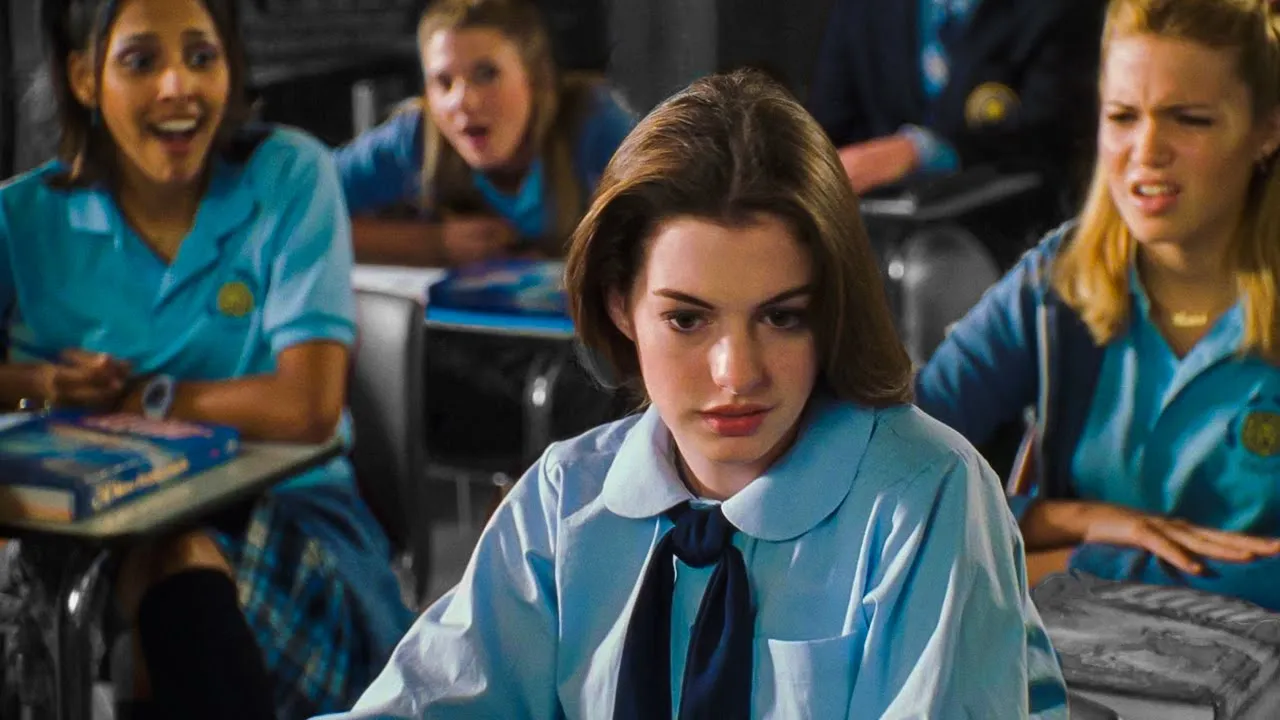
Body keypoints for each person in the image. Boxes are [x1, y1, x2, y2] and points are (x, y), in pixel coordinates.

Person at [319, 70, 1068, 719]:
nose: (736, 374)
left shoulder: (926, 499)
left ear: (832, 310)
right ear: (621, 306)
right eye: (686, 319)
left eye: (782, 316)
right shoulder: (562, 501)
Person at [2, 0, 413, 717]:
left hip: (291, 528)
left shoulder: (287, 175)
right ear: (84, 78)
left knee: (170, 563)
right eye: (140, 61)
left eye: (202, 57)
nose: (178, 87)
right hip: (70, 545)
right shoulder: (20, 218)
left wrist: (139, 400)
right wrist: (40, 384)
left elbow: (307, 406)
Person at [915, 0, 1280, 606]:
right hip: (1066, 655)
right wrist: (1067, 519)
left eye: (1189, 119)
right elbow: (890, 467)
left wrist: (1070, 563)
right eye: (1122, 116)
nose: (1147, 149)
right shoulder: (1051, 284)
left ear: (1267, 130)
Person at [333, 0, 635, 266]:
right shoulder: (415, 136)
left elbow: (656, 228)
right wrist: (433, 243)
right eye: (443, 82)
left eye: (486, 74)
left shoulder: (593, 120)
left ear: (534, 79)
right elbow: (308, 201)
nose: (462, 101)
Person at [807, 0, 1107, 195]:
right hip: (877, 238)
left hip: (1007, 242)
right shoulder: (861, 9)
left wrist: (920, 153)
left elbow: (1053, 134)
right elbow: (826, 129)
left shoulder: (1061, 8)